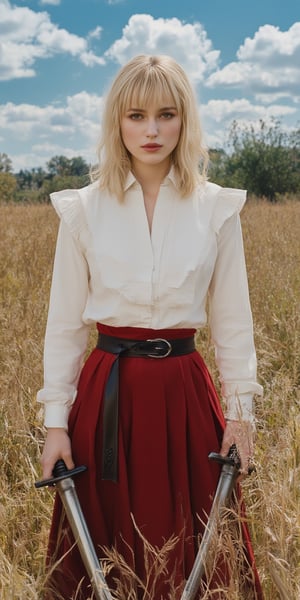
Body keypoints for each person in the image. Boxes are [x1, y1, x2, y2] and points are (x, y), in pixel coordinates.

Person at [37, 54, 264, 599]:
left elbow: (233, 321)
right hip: (105, 396)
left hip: (185, 393)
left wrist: (240, 414)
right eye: (137, 115)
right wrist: (55, 424)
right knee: (103, 561)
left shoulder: (216, 209)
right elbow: (65, 325)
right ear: (117, 121)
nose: (153, 130)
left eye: (167, 114)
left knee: (197, 554)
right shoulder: (83, 211)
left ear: (185, 120)